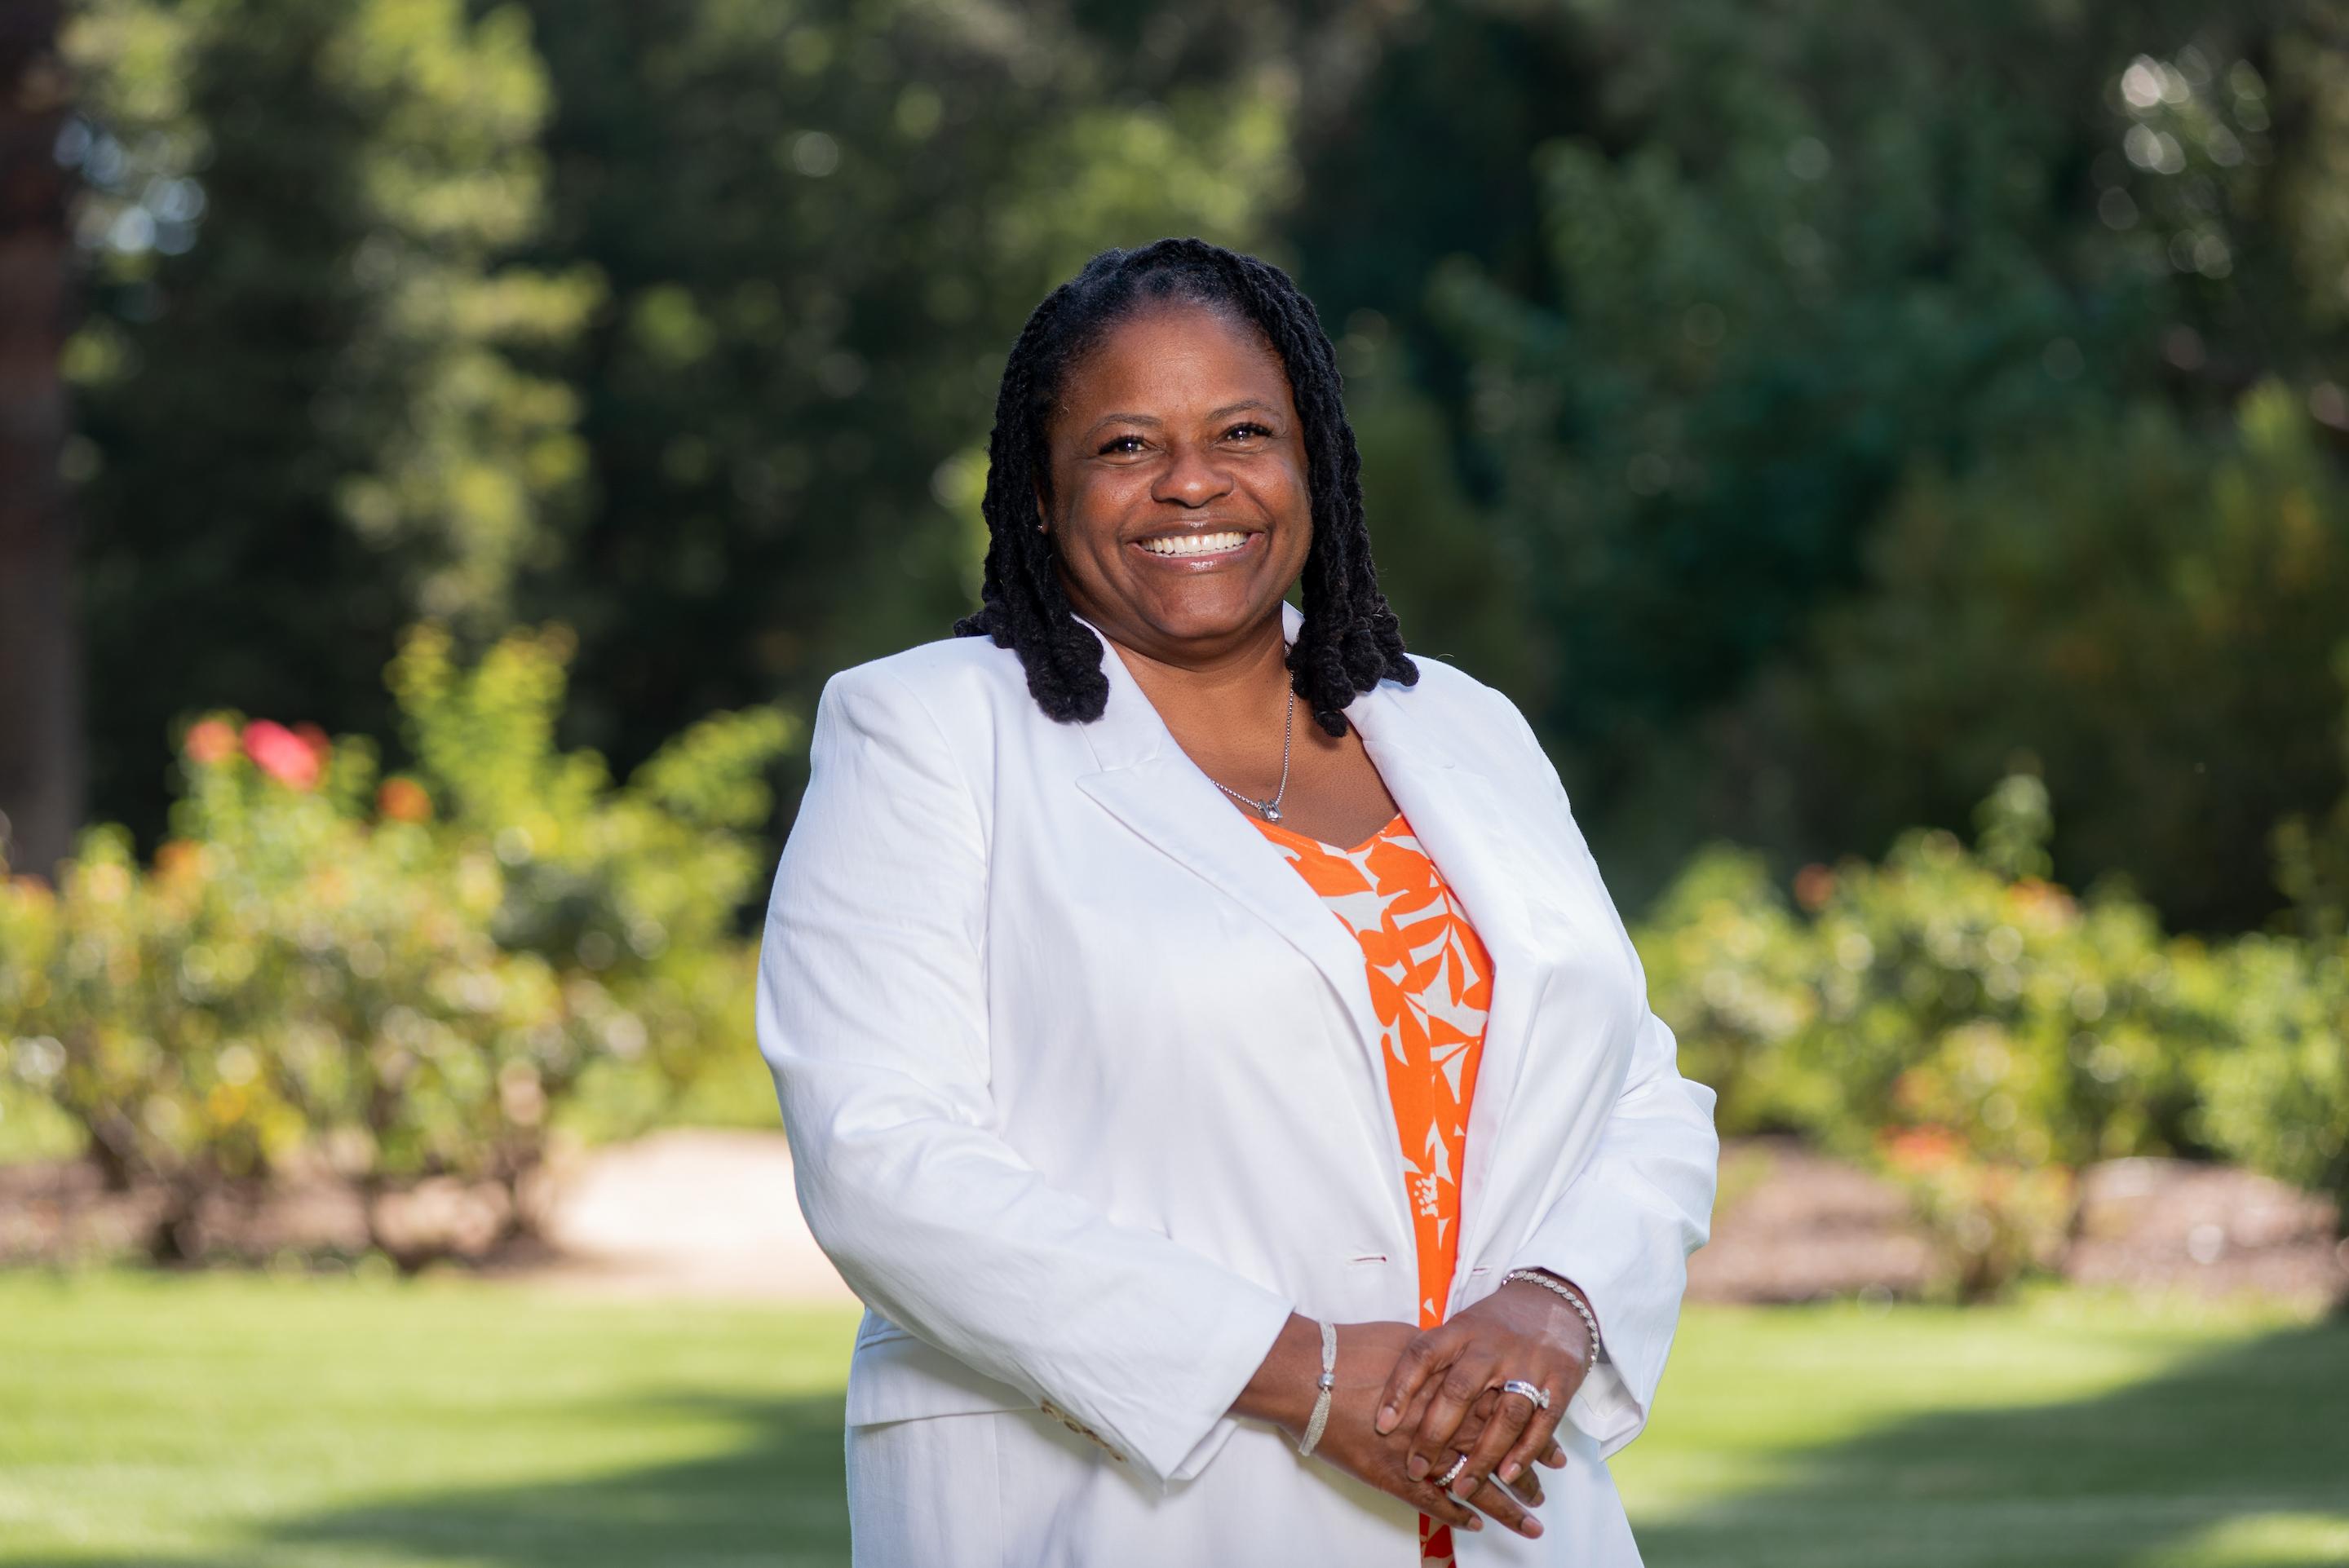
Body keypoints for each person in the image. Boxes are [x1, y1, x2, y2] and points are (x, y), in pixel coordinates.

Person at [754, 236, 1719, 1565]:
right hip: (1132, 1517)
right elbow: (883, 1161)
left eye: (1243, 432)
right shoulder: (928, 734)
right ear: (1038, 492)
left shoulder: (1462, 728)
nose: (1193, 481)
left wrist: (1563, 1301)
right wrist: (1303, 1371)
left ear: (1313, 459)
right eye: (1126, 446)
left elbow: (1636, 1086)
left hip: (1506, 1516)